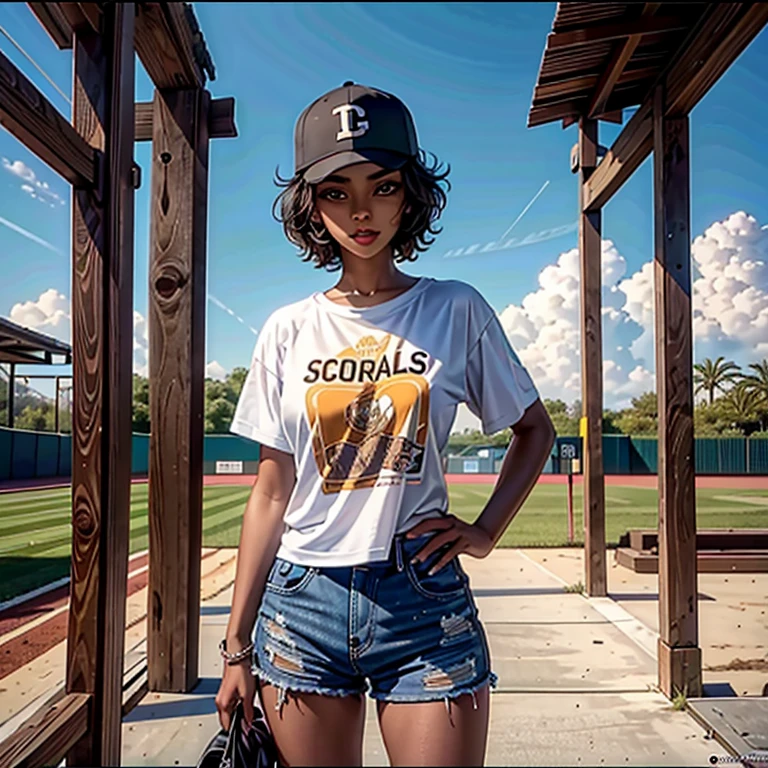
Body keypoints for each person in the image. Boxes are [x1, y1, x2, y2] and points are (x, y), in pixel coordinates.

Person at [215, 81, 555, 767]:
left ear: (413, 193)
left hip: (422, 600)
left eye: (384, 185)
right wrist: (235, 647)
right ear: (310, 205)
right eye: (337, 191)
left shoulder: (455, 309)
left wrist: (485, 531)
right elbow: (271, 493)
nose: (362, 210)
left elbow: (534, 430)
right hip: (301, 600)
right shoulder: (287, 330)